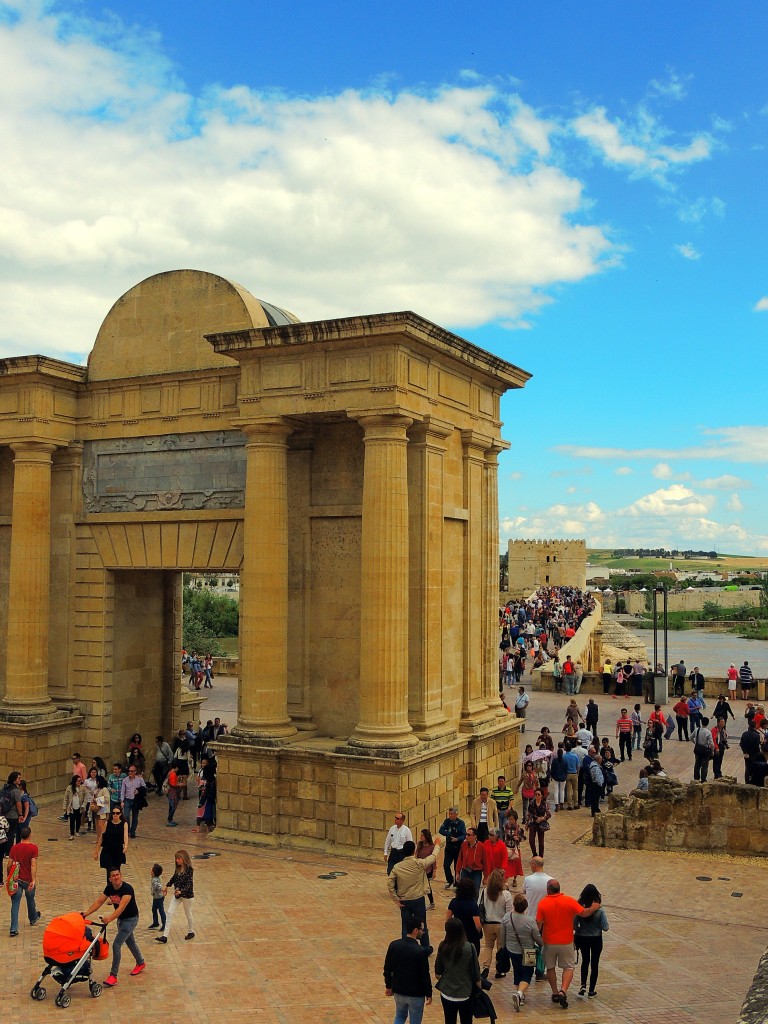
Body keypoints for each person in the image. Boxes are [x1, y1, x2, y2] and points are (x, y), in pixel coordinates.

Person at [536, 879, 601, 1009]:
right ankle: (563, 990)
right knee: (569, 967)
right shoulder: (569, 901)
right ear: (559, 889)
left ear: (548, 890)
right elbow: (584, 913)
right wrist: (594, 907)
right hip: (566, 941)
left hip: (549, 941)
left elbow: (538, 923)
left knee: (550, 967)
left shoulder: (543, 903)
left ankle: (554, 992)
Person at [83, 867, 145, 986]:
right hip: (121, 920)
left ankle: (113, 975)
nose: (116, 877)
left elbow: (121, 908)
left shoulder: (127, 889)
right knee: (130, 941)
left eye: (118, 875)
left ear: (120, 875)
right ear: (110, 878)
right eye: (113, 876)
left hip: (131, 920)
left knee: (117, 945)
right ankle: (141, 962)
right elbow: (99, 901)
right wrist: (86, 913)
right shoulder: (110, 887)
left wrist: (109, 919)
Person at [383, 914, 433, 1024]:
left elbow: (387, 968)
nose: (423, 932)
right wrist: (429, 993)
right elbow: (425, 975)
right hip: (416, 994)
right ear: (415, 930)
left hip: (399, 991)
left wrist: (388, 985)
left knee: (399, 1016)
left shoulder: (394, 945)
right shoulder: (420, 951)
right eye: (422, 929)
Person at [388, 840, 436, 948]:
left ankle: (406, 947)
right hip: (418, 899)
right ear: (414, 851)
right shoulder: (419, 863)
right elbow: (433, 857)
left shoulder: (397, 867)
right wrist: (437, 845)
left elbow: (390, 883)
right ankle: (425, 947)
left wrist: (396, 898)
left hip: (404, 900)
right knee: (422, 924)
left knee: (405, 925)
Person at [434, 917, 481, 1024]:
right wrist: (479, 990)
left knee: (449, 1020)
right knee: (467, 1020)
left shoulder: (443, 946)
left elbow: (438, 972)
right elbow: (476, 973)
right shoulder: (469, 947)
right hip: (465, 992)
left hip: (447, 992)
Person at [499, 893, 542, 1008]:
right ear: (525, 907)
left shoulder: (507, 917)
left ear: (514, 905)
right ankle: (519, 993)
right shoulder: (529, 921)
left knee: (517, 972)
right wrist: (542, 944)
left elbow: (502, 935)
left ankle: (521, 997)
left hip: (511, 950)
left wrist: (503, 947)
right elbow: (537, 937)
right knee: (527, 974)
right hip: (528, 951)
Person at [573, 883, 609, 997]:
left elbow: (574, 925)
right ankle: (591, 990)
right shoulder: (600, 910)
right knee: (595, 964)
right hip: (596, 939)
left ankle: (583, 985)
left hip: (583, 938)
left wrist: (580, 928)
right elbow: (606, 927)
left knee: (585, 961)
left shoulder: (580, 908)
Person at [7, 824, 41, 937]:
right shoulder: (33, 848)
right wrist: (33, 879)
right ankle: (33, 917)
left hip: (16, 879)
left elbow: (9, 864)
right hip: (28, 879)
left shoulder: (14, 848)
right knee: (30, 899)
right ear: (30, 835)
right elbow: (33, 865)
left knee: (15, 903)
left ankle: (13, 928)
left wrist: (9, 876)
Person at [479, 868, 513, 978]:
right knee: (500, 947)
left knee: (488, 946)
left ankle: (486, 967)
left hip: (488, 923)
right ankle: (499, 970)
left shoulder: (484, 891)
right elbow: (509, 912)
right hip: (501, 924)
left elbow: (479, 905)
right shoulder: (506, 894)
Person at [156, 849, 196, 943]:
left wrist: (181, 891)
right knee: (169, 912)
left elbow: (189, 884)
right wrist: (167, 886)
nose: (177, 860)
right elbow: (174, 878)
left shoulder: (189, 869)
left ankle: (191, 931)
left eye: (178, 858)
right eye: (176, 859)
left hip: (187, 895)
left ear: (183, 858)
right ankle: (165, 936)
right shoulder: (177, 869)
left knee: (188, 913)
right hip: (177, 894)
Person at [446, 877, 482, 954]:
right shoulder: (473, 904)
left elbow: (448, 920)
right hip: (471, 936)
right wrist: (479, 932)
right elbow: (478, 925)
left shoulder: (453, 902)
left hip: (457, 934)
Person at [94, 807, 129, 883]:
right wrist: (96, 851)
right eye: (113, 813)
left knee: (116, 871)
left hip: (118, 850)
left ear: (120, 814)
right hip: (108, 850)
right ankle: (109, 889)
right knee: (109, 871)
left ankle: (117, 888)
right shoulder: (107, 823)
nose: (115, 815)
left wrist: (126, 846)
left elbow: (125, 836)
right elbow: (102, 837)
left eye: (117, 813)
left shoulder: (124, 824)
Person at [438, 807, 466, 890]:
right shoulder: (447, 821)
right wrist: (448, 834)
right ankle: (449, 880)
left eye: (451, 814)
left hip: (458, 848)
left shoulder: (461, 823)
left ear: (456, 814)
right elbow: (441, 830)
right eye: (449, 814)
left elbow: (464, 835)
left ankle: (457, 883)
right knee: (446, 865)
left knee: (456, 867)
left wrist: (457, 839)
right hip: (449, 847)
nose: (450, 815)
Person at [454, 827, 488, 895]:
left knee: (475, 891)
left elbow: (485, 862)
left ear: (475, 836)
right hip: (465, 871)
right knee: (462, 891)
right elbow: (460, 859)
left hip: (476, 872)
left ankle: (474, 905)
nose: (466, 836)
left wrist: (485, 877)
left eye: (469, 835)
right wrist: (457, 872)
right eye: (466, 834)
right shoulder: (464, 844)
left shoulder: (481, 846)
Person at [120, 764, 147, 839]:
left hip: (136, 800)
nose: (130, 772)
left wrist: (139, 791)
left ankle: (132, 832)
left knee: (135, 817)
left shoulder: (139, 779)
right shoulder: (125, 780)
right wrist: (122, 801)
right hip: (127, 800)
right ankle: (127, 830)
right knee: (126, 816)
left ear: (135, 772)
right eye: (129, 771)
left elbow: (144, 787)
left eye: (132, 771)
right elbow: (122, 791)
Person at [503, 810, 525, 888]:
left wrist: (518, 838)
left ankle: (515, 879)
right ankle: (506, 881)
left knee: (516, 865)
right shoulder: (505, 827)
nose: (510, 821)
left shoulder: (518, 828)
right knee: (506, 865)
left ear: (515, 819)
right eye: (509, 819)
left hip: (515, 849)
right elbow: (503, 837)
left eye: (512, 819)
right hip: (507, 848)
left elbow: (523, 838)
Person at [415, 829, 437, 910]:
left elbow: (433, 860)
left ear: (426, 836)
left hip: (427, 870)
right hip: (420, 869)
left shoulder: (432, 847)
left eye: (422, 835)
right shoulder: (420, 844)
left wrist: (434, 870)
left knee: (426, 886)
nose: (420, 837)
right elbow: (416, 855)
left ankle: (431, 903)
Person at [526, 790, 551, 858]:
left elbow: (549, 815)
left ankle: (541, 856)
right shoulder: (532, 803)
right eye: (536, 794)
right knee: (531, 841)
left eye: (538, 794)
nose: (537, 796)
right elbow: (529, 813)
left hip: (541, 824)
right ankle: (534, 854)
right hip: (533, 823)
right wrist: (527, 823)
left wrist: (542, 818)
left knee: (541, 842)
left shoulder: (545, 804)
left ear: (541, 795)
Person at [2, 771, 24, 845]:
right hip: (13, 815)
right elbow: (18, 804)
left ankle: (3, 850)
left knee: (4, 833)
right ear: (14, 779)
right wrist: (20, 815)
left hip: (4, 814)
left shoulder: (5, 787)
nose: (20, 780)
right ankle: (8, 851)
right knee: (11, 834)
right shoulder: (16, 791)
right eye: (19, 778)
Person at [740, 716, 763, 785]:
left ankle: (747, 781)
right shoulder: (756, 735)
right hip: (754, 754)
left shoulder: (744, 734)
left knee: (747, 768)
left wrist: (745, 752)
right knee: (754, 768)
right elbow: (756, 746)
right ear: (755, 726)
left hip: (746, 754)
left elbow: (742, 744)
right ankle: (753, 781)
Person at [692, 715, 715, 782]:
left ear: (701, 722)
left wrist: (696, 743)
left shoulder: (697, 730)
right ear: (707, 723)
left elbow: (691, 737)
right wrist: (712, 751)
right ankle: (703, 779)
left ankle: (696, 778)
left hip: (697, 749)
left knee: (697, 764)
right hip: (705, 750)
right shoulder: (708, 732)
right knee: (704, 766)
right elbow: (711, 743)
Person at [64, 775, 85, 840]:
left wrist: (84, 804)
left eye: (80, 780)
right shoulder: (69, 788)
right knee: (72, 821)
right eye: (78, 781)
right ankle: (72, 834)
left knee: (78, 820)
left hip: (79, 806)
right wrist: (64, 806)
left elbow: (85, 796)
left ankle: (77, 831)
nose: (79, 782)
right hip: (72, 807)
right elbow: (66, 797)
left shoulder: (82, 788)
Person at [148, 863, 166, 931]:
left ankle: (164, 924)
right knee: (154, 909)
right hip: (156, 897)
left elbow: (159, 886)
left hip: (158, 898)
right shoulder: (155, 878)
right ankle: (156, 922)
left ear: (153, 872)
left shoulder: (154, 880)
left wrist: (163, 890)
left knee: (161, 910)